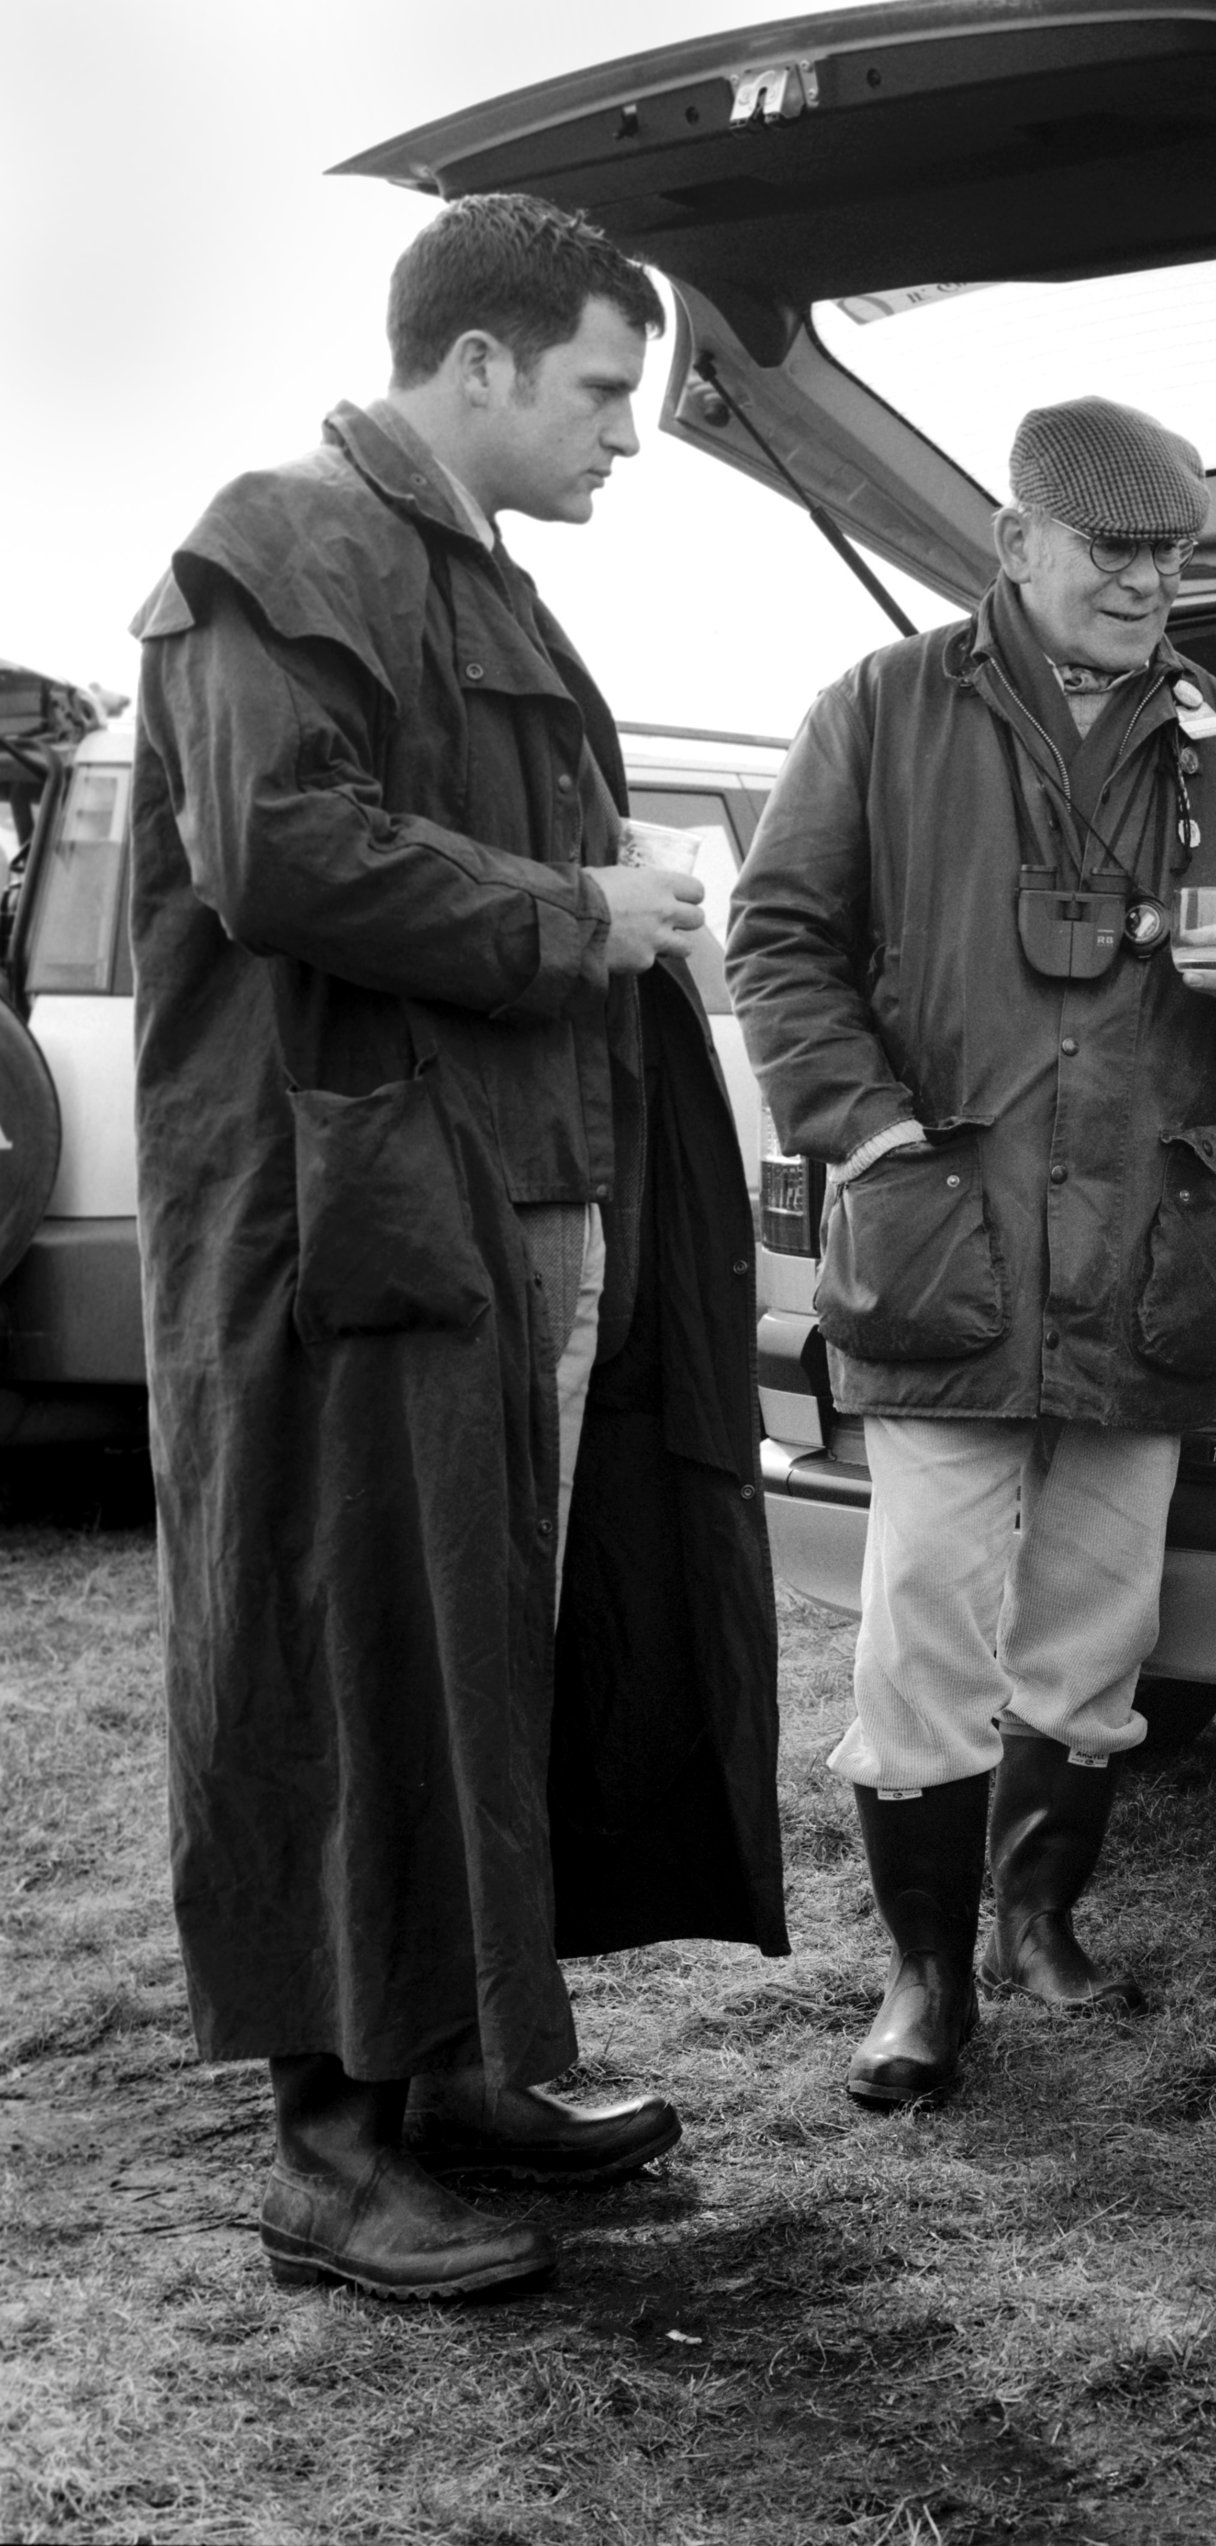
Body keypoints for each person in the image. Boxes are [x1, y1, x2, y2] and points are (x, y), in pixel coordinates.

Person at [128, 194, 787, 2302]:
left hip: (493, 1195)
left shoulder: (455, 567)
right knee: (340, 1639)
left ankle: (463, 2064)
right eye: (604, 387)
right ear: (481, 364)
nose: (626, 434)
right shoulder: (287, 532)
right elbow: (276, 844)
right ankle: (327, 2153)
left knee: (476, 1638)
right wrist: (566, 915)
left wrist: (597, 885)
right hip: (341, 1227)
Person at [728, 396, 1216, 2107]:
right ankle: (925, 1978)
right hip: (954, 1232)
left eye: (1173, 554)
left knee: (1099, 1615)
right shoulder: (878, 708)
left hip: (1156, 1238)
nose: (1152, 583)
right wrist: (860, 1123)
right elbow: (777, 937)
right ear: (1017, 543)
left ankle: (1038, 1918)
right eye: (1116, 549)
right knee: (925, 1616)